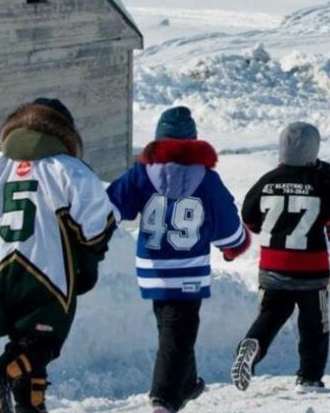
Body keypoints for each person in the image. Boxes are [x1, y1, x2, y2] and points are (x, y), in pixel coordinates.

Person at [0, 99, 117, 413]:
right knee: (44, 341)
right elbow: (95, 227)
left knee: (25, 341)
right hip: (45, 270)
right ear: (64, 132)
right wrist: (90, 260)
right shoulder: (68, 170)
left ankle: (30, 405)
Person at [106, 107, 250, 413]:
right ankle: (164, 399)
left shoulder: (141, 173)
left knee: (174, 328)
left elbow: (110, 209)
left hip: (152, 270)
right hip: (189, 273)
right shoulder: (207, 180)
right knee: (177, 336)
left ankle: (187, 383)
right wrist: (233, 246)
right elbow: (228, 225)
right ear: (194, 141)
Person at [233, 122, 330, 392]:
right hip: (310, 271)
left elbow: (249, 217)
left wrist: (268, 226)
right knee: (315, 324)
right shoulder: (322, 181)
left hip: (271, 266)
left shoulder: (267, 180)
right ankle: (309, 377)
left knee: (271, 314)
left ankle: (251, 345)